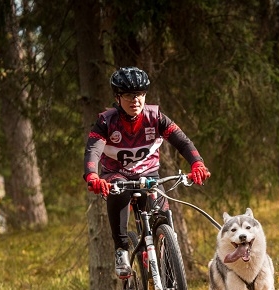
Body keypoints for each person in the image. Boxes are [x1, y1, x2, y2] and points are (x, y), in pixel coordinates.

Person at [83, 66, 210, 278]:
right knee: (117, 191)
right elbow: (92, 150)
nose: (136, 100)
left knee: (162, 216)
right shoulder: (106, 122)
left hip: (149, 175)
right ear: (117, 97)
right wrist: (92, 176)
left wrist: (197, 163)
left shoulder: (156, 117)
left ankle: (169, 265)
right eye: (129, 95)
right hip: (117, 174)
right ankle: (121, 250)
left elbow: (183, 142)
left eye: (140, 94)